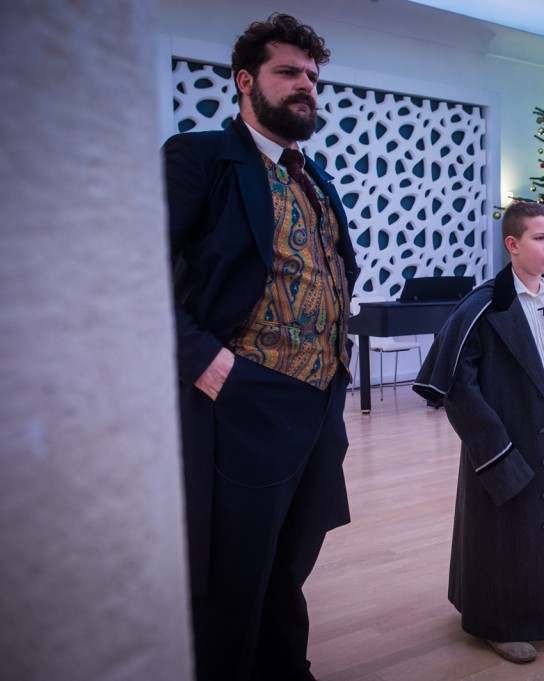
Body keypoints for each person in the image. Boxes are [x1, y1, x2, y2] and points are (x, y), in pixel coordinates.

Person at [163, 14, 359, 680]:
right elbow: (131, 271)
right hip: (245, 401)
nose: (305, 85)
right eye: (288, 72)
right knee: (234, 576)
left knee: (290, 562)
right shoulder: (200, 159)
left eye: (312, 76)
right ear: (246, 82)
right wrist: (206, 362)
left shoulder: (314, 176)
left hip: (318, 404)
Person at [413, 201, 544, 664]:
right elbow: (456, 385)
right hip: (507, 440)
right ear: (512, 244)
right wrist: (496, 451)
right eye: (540, 238)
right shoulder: (483, 307)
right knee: (504, 533)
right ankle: (498, 622)